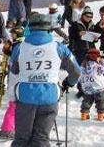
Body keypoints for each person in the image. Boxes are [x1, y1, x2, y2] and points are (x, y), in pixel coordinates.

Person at [9, 14, 81, 147]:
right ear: (49, 29)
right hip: (49, 96)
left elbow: (13, 69)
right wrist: (68, 83)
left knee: (21, 139)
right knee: (41, 139)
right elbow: (76, 71)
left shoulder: (20, 47)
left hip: (26, 96)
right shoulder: (59, 47)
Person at [0, 26, 24, 138]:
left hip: (17, 77)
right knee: (16, 105)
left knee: (14, 105)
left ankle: (7, 128)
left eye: (13, 34)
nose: (11, 35)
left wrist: (8, 50)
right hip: (17, 77)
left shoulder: (20, 45)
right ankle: (10, 128)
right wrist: (7, 49)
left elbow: (14, 59)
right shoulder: (18, 44)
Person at [79, 48, 104, 121]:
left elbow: (79, 74)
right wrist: (103, 62)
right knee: (100, 101)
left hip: (87, 86)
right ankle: (100, 114)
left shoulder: (83, 65)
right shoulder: (98, 66)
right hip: (98, 86)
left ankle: (84, 114)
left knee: (87, 100)